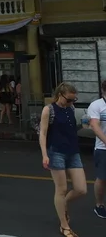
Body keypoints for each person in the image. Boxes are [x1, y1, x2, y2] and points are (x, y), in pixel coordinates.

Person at [39, 82, 87, 237]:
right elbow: (43, 133)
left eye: (74, 100)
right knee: (61, 189)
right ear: (60, 95)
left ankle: (63, 204)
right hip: (56, 152)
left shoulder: (70, 108)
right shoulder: (49, 110)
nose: (71, 103)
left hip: (73, 151)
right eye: (69, 100)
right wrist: (45, 154)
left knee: (81, 189)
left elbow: (72, 128)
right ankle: (64, 225)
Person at [88, 80, 106, 219]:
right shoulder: (96, 105)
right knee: (102, 178)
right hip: (102, 148)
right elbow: (95, 126)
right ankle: (99, 205)